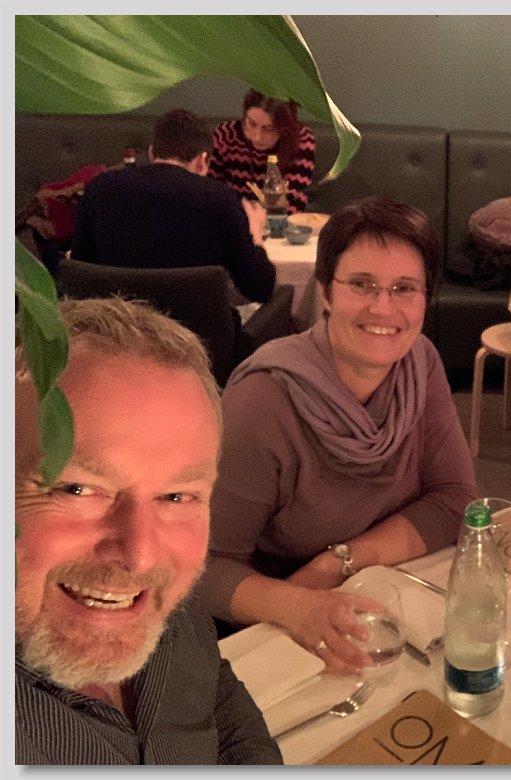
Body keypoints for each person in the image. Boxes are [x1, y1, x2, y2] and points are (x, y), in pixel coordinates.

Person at [196, 196, 477, 674]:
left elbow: (453, 500)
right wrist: (296, 603)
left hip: (380, 599)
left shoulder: (420, 364)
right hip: (276, 631)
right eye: (362, 284)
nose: (383, 307)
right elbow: (203, 568)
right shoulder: (263, 401)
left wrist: (335, 565)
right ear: (325, 292)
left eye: (404, 288)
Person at [15, 297, 281, 764]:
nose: (140, 554)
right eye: (77, 488)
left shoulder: (161, 600)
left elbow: (218, 703)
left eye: (176, 497)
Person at [72, 108, 276, 305]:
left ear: (152, 152)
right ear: (203, 160)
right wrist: (255, 235)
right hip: (199, 328)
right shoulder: (220, 199)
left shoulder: (99, 189)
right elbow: (259, 288)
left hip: (121, 325)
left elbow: (80, 273)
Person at [208, 88, 317, 215]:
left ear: (284, 127)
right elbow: (212, 190)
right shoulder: (226, 135)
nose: (257, 137)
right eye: (251, 123)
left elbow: (295, 199)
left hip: (281, 220)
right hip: (232, 217)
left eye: (268, 129)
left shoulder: (301, 138)